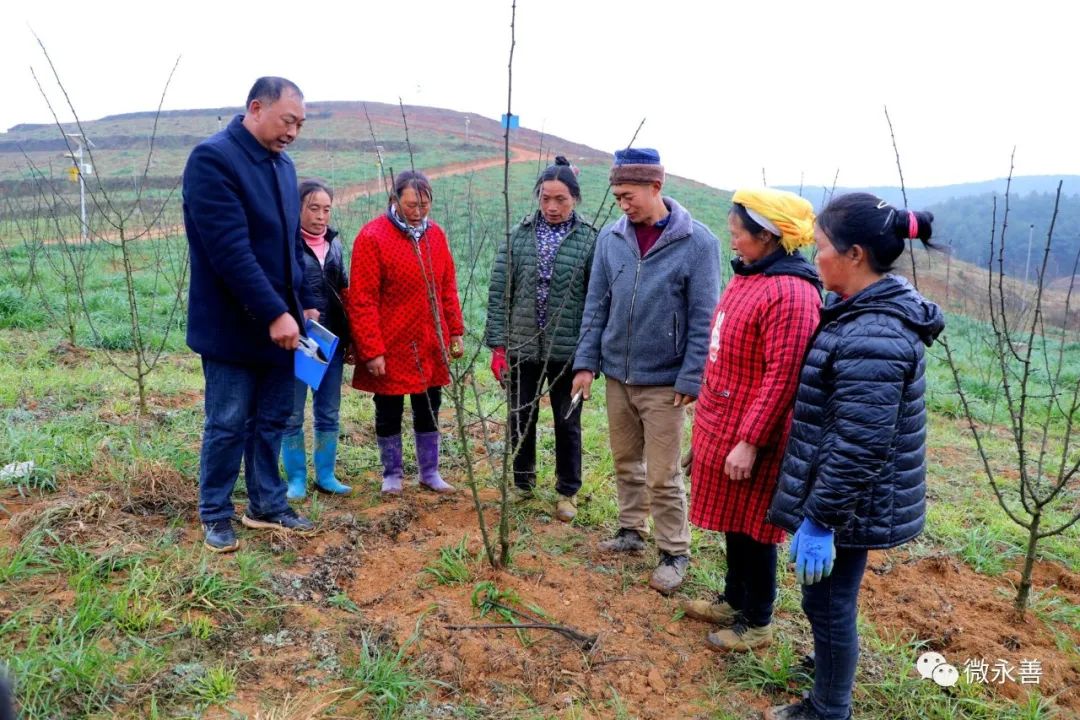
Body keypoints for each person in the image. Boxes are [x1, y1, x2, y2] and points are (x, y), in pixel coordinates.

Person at [764, 193, 944, 720]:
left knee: (828, 601)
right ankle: (829, 665)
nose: (815, 257)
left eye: (821, 246)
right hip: (847, 497)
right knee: (828, 600)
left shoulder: (875, 333)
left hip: (850, 502)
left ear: (855, 254)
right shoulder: (859, 312)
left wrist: (821, 518)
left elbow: (860, 445)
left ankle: (828, 708)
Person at [572, 147, 720, 595]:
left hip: (666, 383)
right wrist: (586, 363)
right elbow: (596, 305)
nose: (622, 204)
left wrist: (691, 376)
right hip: (618, 374)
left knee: (662, 473)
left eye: (628, 195)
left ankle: (674, 551)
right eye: (617, 196)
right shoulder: (610, 239)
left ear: (656, 186)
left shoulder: (698, 243)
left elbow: (703, 318)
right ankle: (630, 530)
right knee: (624, 460)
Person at [681, 189, 822, 652]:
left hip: (756, 433)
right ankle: (734, 599)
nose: (733, 240)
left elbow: (784, 376)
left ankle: (758, 620)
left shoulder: (791, 294)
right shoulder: (751, 275)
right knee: (734, 521)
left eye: (739, 233)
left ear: (767, 236)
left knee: (756, 527)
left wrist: (750, 441)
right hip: (726, 421)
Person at [183, 76, 317, 553]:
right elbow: (230, 251)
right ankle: (215, 513)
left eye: (300, 124)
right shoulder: (213, 159)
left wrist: (302, 302)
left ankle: (266, 504)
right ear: (256, 108)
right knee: (228, 422)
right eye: (287, 121)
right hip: (232, 324)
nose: (293, 132)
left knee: (273, 419)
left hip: (282, 323)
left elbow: (289, 245)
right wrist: (274, 312)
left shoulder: (283, 166)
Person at [485, 156, 597, 522]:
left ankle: (567, 491)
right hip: (522, 345)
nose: (552, 206)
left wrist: (590, 358)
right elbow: (500, 291)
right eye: (545, 198)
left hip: (568, 352)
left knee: (568, 422)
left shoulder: (590, 240)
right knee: (521, 416)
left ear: (574, 198)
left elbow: (597, 301)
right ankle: (523, 484)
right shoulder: (518, 236)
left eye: (560, 199)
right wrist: (498, 346)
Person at [346, 171, 464, 495]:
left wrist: (454, 330)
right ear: (394, 200)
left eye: (424, 205)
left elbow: (447, 286)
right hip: (391, 341)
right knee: (388, 406)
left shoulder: (436, 235)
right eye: (412, 204)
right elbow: (362, 299)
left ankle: (430, 472)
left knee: (429, 403)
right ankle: (392, 474)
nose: (418, 211)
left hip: (429, 339)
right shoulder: (372, 237)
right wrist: (372, 349)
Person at [280, 179, 352, 500]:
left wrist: (350, 337)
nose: (321, 216)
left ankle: (326, 475)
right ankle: (296, 479)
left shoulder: (335, 245)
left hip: (330, 341)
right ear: (297, 209)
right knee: (293, 413)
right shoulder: (286, 245)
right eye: (313, 208)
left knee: (328, 412)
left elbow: (343, 292)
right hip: (297, 341)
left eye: (326, 209)